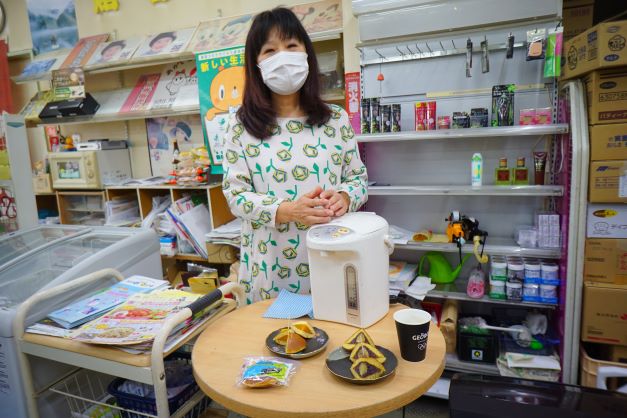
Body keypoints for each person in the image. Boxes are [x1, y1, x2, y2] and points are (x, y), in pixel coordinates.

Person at [222, 7, 368, 304]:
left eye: (291, 46)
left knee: (332, 339)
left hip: (330, 260)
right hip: (269, 270)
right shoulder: (240, 126)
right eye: (270, 50)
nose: (283, 57)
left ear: (306, 54)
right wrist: (288, 210)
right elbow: (235, 195)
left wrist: (344, 195)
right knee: (270, 346)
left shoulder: (336, 120)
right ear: (256, 64)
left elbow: (359, 179)